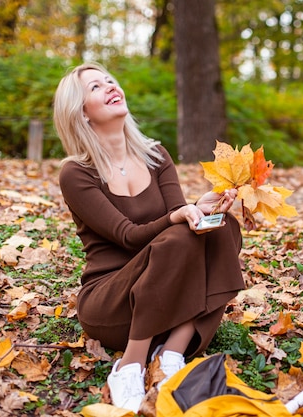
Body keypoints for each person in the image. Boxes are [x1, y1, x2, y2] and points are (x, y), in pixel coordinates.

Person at [53, 62, 245, 412]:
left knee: (221, 227)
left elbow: (181, 222)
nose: (111, 87)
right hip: (113, 303)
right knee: (179, 236)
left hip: (170, 298)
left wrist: (200, 208)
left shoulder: (155, 155)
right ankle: (131, 364)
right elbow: (128, 236)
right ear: (81, 113)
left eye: (110, 80)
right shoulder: (77, 172)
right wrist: (178, 215)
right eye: (95, 87)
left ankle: (172, 353)